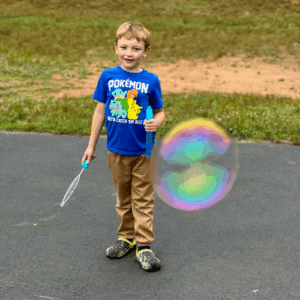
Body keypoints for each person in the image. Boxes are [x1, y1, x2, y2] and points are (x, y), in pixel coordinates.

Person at [81, 22, 165, 272]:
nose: (129, 53)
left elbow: (161, 113)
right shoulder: (107, 76)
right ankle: (126, 238)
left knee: (142, 199)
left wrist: (155, 122)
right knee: (123, 197)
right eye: (124, 47)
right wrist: (90, 145)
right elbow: (99, 112)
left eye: (136, 48)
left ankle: (144, 245)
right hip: (116, 150)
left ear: (145, 51)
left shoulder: (151, 80)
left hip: (143, 152)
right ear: (115, 47)